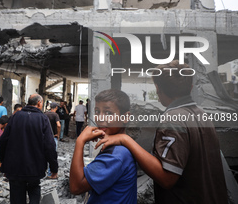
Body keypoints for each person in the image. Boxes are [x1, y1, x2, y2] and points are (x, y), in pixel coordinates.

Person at [96, 60, 228, 204]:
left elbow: (167, 178)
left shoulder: (173, 119)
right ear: (190, 88)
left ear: (158, 88)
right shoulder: (201, 113)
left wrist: (126, 140)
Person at [70, 89, 137, 204]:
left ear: (125, 117)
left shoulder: (116, 155)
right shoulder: (120, 147)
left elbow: (76, 187)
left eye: (108, 113)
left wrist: (80, 141)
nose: (100, 118)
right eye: (97, 111)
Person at [0, 94, 58, 204]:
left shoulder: (15, 117)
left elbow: (3, 141)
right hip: (35, 168)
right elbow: (49, 146)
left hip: (14, 167)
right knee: (34, 191)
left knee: (16, 196)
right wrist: (54, 168)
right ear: (39, 103)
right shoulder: (42, 118)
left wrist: (3, 163)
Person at [44, 102, 61, 179]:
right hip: (53, 137)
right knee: (52, 155)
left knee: (44, 154)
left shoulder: (45, 114)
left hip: (45, 137)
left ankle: (43, 171)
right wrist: (58, 134)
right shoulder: (55, 115)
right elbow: (58, 125)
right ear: (56, 108)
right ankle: (51, 173)